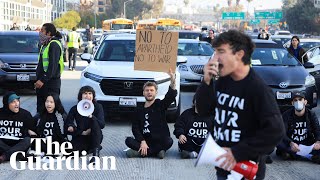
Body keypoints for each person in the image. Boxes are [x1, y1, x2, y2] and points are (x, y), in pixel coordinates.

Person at [195, 30, 285, 179]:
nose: (215, 58)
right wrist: (206, 82)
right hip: (225, 167)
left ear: (239, 54)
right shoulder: (223, 81)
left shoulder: (257, 88)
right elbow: (204, 110)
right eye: (215, 52)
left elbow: (275, 131)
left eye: (221, 52)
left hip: (246, 170)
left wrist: (237, 152)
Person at [125, 70, 176, 159]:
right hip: (145, 141)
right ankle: (157, 152)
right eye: (147, 90)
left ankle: (142, 153)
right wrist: (142, 141)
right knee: (128, 140)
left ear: (156, 92)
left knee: (169, 141)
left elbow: (170, 95)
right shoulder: (138, 109)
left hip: (159, 141)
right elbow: (135, 128)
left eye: (152, 90)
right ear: (143, 93)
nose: (149, 92)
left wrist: (172, 80)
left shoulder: (160, 105)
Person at [276, 91, 320, 164]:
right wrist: (290, 143)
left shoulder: (311, 114)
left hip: (307, 144)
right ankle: (309, 156)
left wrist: (318, 141)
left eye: (300, 100)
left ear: (305, 102)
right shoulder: (286, 115)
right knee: (277, 141)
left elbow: (317, 130)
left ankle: (292, 155)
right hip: (292, 144)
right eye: (295, 100)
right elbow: (282, 132)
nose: (298, 102)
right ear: (292, 103)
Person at [66, 86, 105, 164]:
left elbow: (102, 125)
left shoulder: (98, 107)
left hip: (94, 136)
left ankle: (95, 154)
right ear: (81, 96)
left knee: (95, 123)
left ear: (93, 96)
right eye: (85, 93)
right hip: (81, 135)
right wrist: (72, 127)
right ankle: (93, 148)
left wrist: (92, 117)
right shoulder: (75, 108)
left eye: (90, 93)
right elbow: (68, 122)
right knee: (69, 153)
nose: (87, 96)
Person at [35, 23, 64, 114]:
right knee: (41, 109)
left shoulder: (54, 44)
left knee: (53, 109)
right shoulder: (45, 44)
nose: (40, 32)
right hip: (43, 82)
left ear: (49, 33)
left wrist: (42, 80)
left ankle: (67, 124)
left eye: (42, 30)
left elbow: (52, 66)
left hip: (51, 82)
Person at [0, 92, 35, 163]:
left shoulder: (25, 114)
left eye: (17, 101)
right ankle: (19, 156)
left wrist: (31, 131)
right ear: (7, 104)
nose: (17, 104)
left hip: (19, 145)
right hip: (2, 145)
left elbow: (33, 131)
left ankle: (5, 156)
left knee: (28, 140)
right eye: (13, 102)